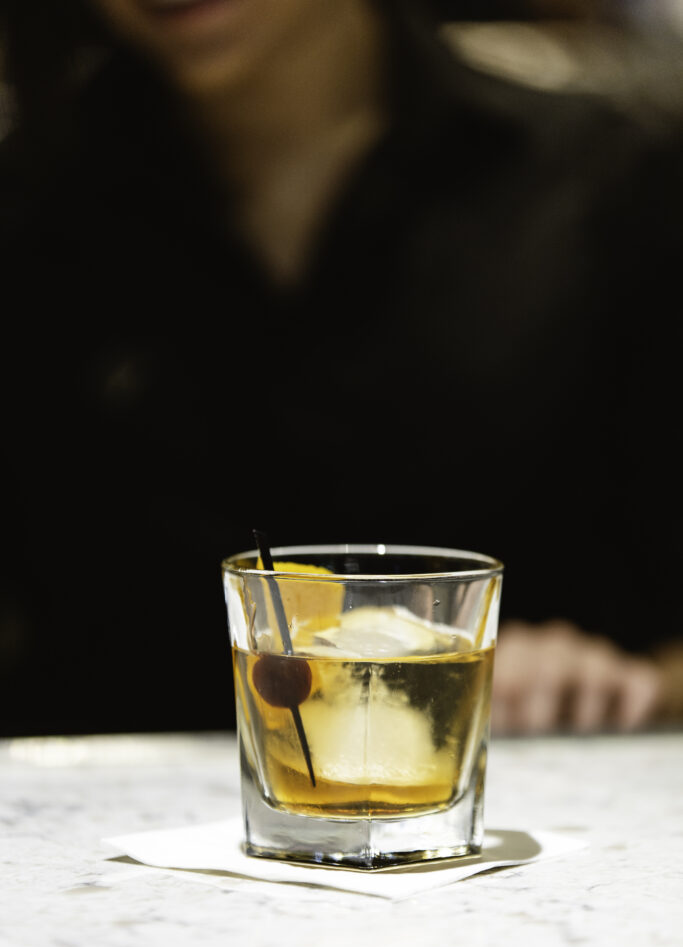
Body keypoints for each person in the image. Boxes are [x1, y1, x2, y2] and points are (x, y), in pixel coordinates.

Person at [0, 0, 681, 736]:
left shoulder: (609, 186)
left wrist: (628, 685)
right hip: (96, 828)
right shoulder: (32, 209)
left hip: (528, 806)